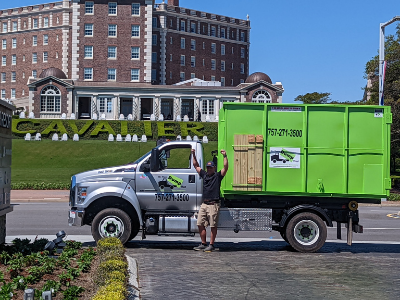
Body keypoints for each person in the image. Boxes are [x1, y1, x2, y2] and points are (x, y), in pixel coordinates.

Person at [191, 148, 228, 252]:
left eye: (211, 167)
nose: (209, 169)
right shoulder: (204, 175)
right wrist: (193, 154)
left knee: (213, 225)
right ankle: (203, 243)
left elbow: (225, 168)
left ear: (214, 168)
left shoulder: (217, 176)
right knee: (200, 223)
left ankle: (211, 244)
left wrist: (225, 156)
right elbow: (196, 166)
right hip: (204, 204)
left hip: (213, 204)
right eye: (208, 167)